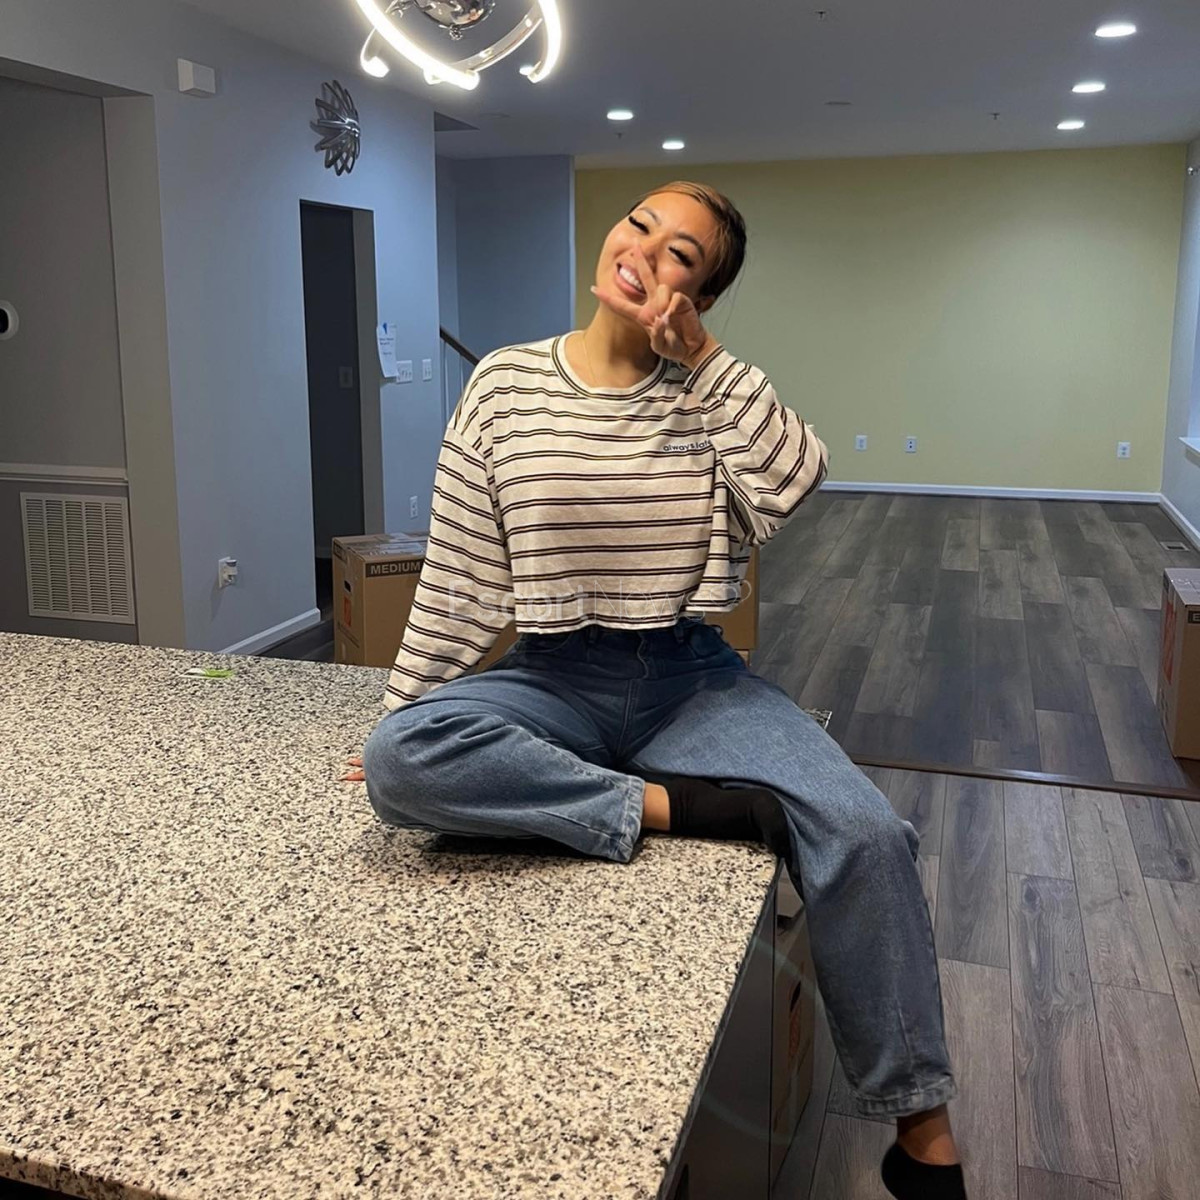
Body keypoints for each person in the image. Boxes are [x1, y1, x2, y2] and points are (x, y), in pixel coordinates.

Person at [344, 181, 966, 1200]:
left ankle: (924, 1136)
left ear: (700, 295)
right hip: (551, 676)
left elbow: (796, 481)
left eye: (682, 252)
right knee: (399, 762)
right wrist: (406, 702)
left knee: (866, 832)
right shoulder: (504, 385)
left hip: (690, 680)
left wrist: (706, 364)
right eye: (641, 224)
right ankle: (682, 808)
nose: (644, 249)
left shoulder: (710, 393)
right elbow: (461, 569)